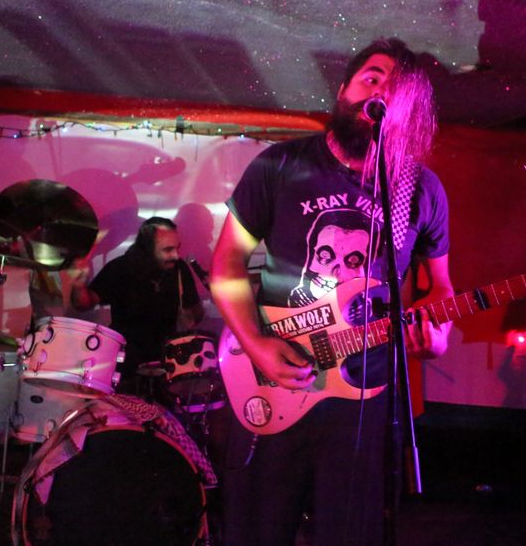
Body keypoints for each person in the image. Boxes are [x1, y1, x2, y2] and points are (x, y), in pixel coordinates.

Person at [210, 38, 454, 546]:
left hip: (364, 399)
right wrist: (256, 343)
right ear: (344, 89)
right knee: (256, 530)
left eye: (397, 90)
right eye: (372, 78)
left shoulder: (421, 189)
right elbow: (227, 265)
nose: (380, 93)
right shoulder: (280, 165)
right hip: (276, 379)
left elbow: (441, 287)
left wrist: (439, 332)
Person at [70, 216, 204, 391]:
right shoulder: (120, 268)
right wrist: (79, 285)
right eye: (167, 249)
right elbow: (83, 304)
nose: (175, 255)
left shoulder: (179, 269)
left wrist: (192, 317)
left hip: (167, 364)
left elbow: (196, 310)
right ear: (147, 248)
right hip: (125, 365)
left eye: (176, 248)